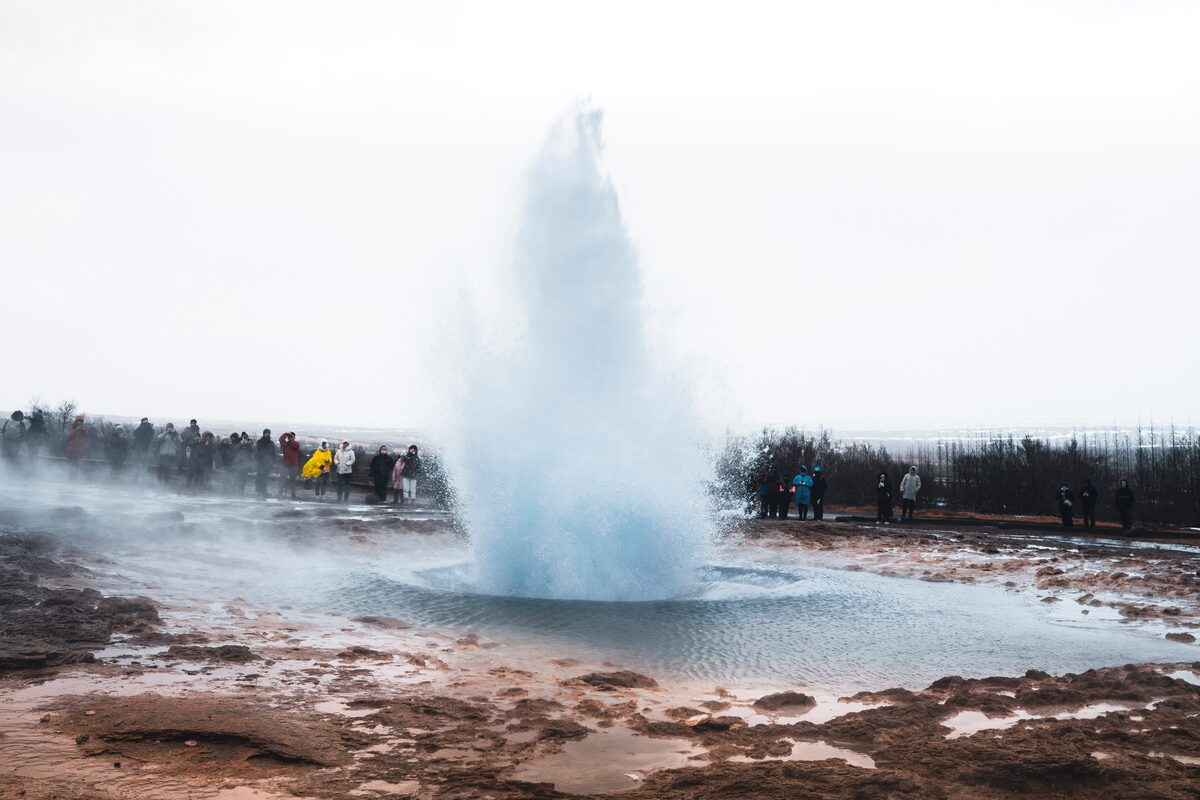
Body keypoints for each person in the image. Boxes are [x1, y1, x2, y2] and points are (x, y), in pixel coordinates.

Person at [254, 429, 276, 498]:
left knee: (266, 477)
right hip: (261, 462)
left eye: (268, 433)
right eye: (266, 433)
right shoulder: (260, 442)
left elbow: (273, 453)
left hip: (268, 463)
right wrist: (258, 461)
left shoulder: (271, 443)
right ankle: (259, 491)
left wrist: (273, 462)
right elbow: (257, 452)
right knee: (260, 477)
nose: (267, 434)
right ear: (263, 434)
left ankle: (264, 490)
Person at [278, 432, 301, 499]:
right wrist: (285, 434)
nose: (291, 437)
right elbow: (280, 440)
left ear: (294, 437)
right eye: (290, 436)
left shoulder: (296, 444)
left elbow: (296, 446)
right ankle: (280, 493)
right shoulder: (285, 444)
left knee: (293, 481)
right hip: (285, 465)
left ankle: (293, 494)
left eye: (292, 436)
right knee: (282, 480)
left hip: (293, 465)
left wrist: (291, 439)